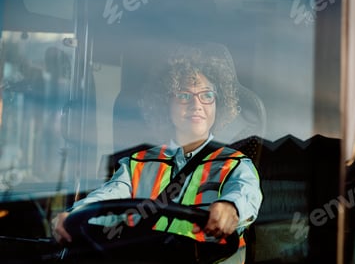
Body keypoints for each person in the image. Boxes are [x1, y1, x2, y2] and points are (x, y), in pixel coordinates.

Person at [51, 44, 263, 263]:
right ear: (165, 103)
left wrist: (230, 208)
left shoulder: (236, 165)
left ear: (218, 103)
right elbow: (107, 198)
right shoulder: (137, 164)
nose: (196, 104)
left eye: (207, 95)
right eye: (183, 95)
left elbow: (244, 194)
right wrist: (74, 215)